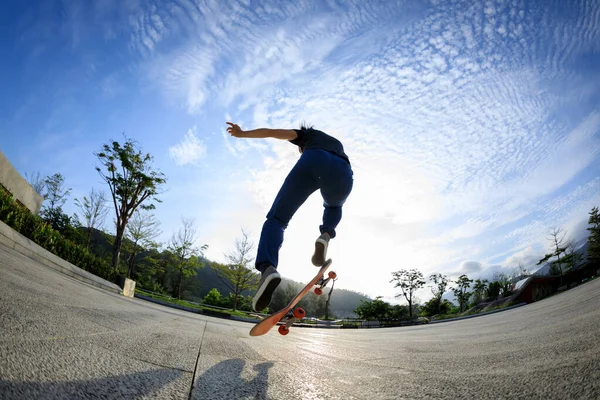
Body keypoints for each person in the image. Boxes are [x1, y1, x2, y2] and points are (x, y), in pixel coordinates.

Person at [226, 122, 354, 312]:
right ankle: (326, 234)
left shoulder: (307, 135)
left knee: (277, 219)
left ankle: (268, 268)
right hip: (344, 171)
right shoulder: (336, 144)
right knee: (334, 206)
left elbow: (271, 132)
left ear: (301, 147)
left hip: (314, 160)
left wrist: (242, 133)